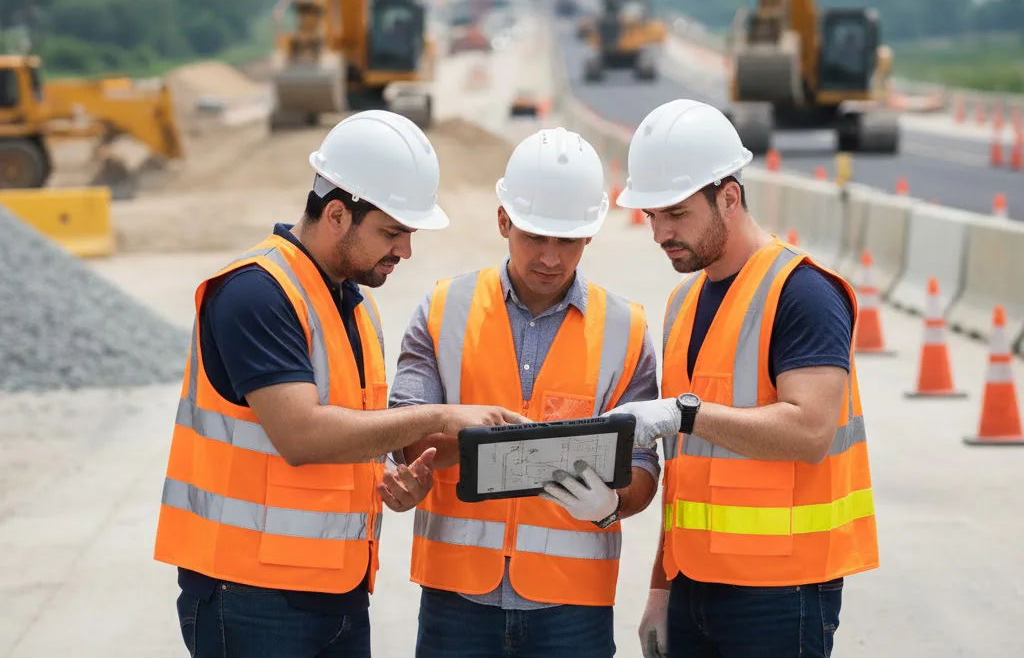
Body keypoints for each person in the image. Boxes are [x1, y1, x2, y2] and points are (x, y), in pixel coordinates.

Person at [153, 109, 526, 658]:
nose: (404, 250)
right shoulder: (255, 292)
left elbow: (352, 436)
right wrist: (442, 415)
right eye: (391, 232)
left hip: (335, 591)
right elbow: (302, 436)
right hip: (250, 596)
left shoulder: (354, 306)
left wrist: (391, 480)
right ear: (336, 214)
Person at [603, 99, 879, 658]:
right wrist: (661, 587)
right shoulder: (684, 303)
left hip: (781, 593)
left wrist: (683, 414)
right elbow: (687, 473)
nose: (660, 232)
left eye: (676, 213)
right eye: (652, 215)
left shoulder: (803, 292)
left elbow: (810, 432)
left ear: (729, 197)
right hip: (693, 584)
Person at [387, 126, 662, 658]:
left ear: (590, 236)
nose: (551, 258)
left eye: (568, 241)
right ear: (503, 220)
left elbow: (645, 464)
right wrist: (457, 440)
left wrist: (611, 505)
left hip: (573, 608)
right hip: (457, 598)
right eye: (535, 236)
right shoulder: (444, 311)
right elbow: (405, 435)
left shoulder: (625, 331)